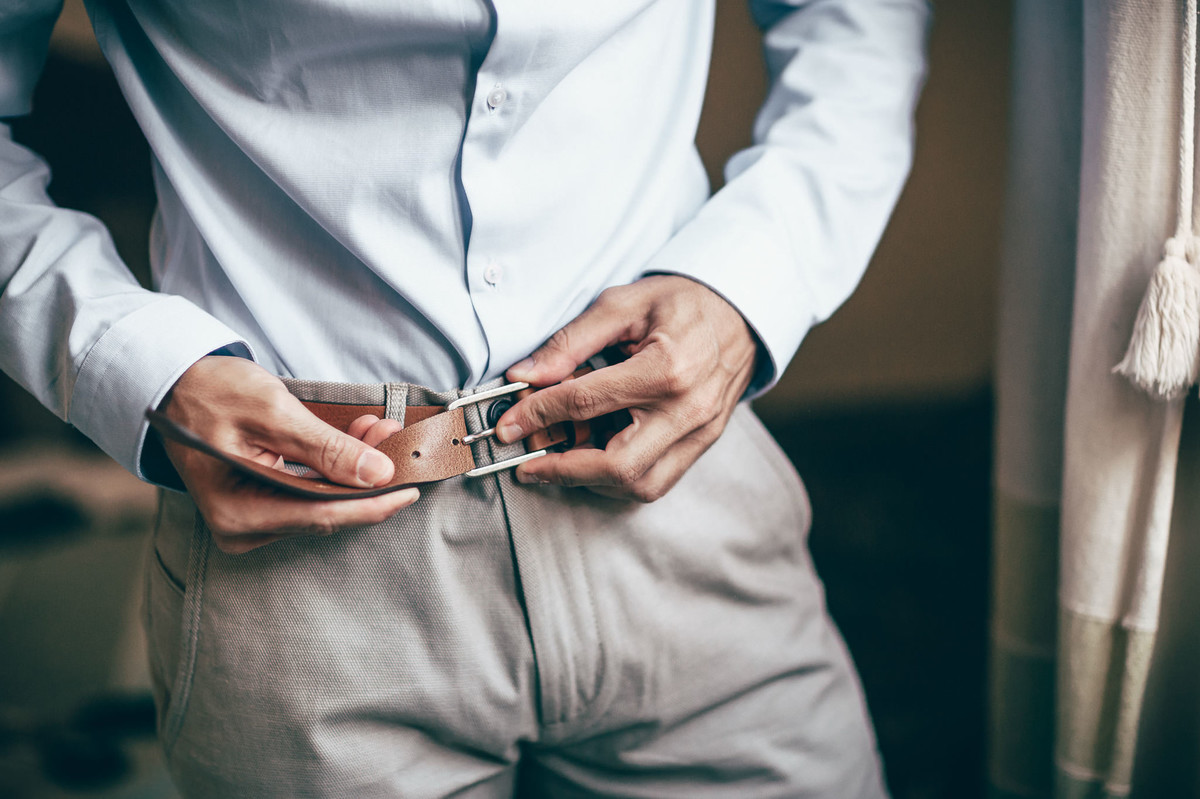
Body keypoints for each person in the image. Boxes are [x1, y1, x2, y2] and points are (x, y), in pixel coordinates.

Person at [0, 1, 929, 796]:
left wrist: (749, 284)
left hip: (676, 486)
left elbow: (855, 19)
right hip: (308, 562)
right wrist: (145, 368)